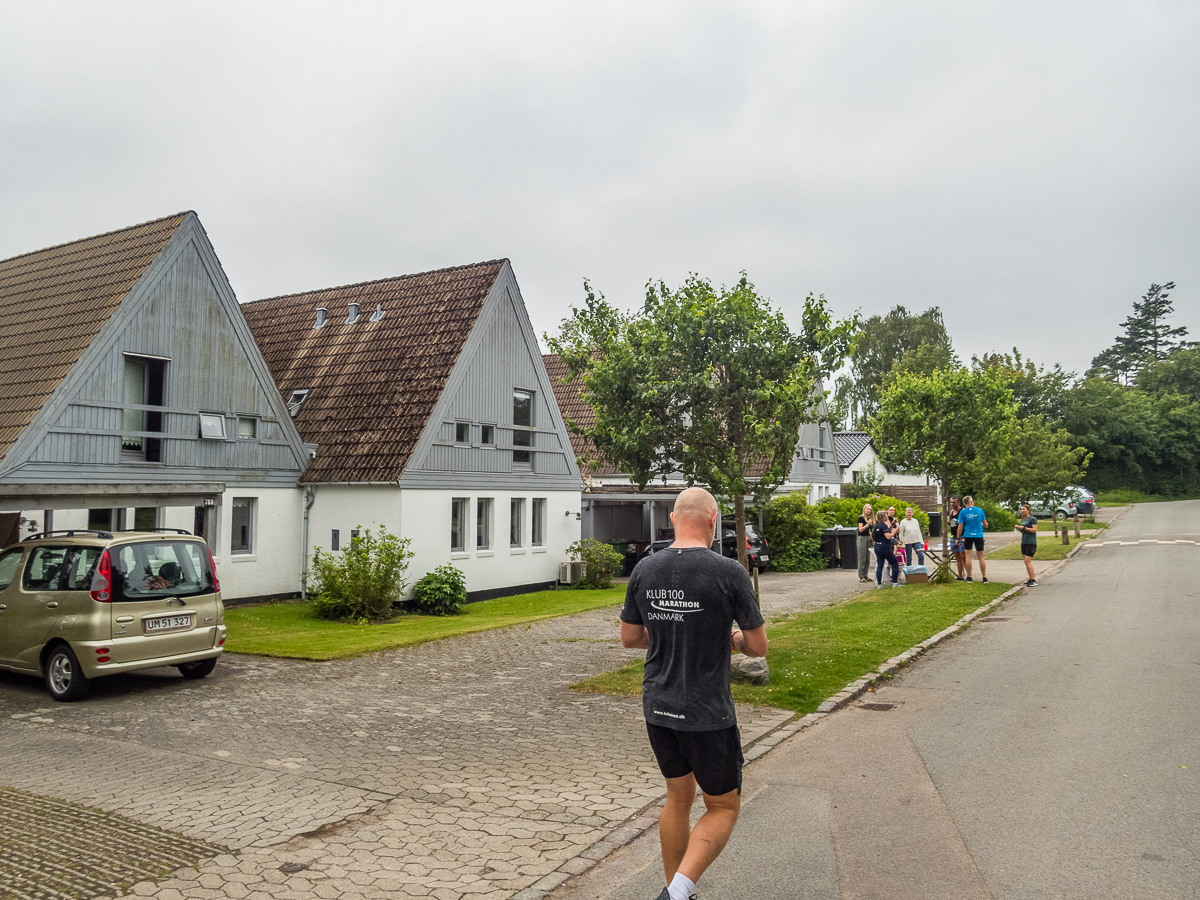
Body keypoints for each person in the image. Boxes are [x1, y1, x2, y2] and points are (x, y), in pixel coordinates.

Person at [620, 486, 768, 900]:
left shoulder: (645, 570)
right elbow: (757, 647)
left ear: (672, 519)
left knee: (678, 796)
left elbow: (630, 638)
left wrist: (670, 629)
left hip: (658, 707)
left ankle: (675, 890)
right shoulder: (729, 572)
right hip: (705, 712)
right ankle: (678, 892)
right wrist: (733, 636)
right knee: (722, 807)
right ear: (713, 520)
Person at [957, 495, 989, 583]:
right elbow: (985, 524)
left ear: (964, 503)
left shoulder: (963, 512)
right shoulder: (979, 510)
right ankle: (984, 577)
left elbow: (960, 526)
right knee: (981, 557)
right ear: (971, 502)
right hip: (978, 535)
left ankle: (969, 577)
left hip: (968, 535)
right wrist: (983, 524)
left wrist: (958, 537)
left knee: (968, 556)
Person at [872, 509, 900, 588]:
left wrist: (891, 525)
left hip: (877, 546)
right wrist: (895, 531)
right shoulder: (883, 525)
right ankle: (895, 582)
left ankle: (879, 584)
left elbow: (884, 531)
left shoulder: (876, 525)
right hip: (884, 546)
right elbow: (888, 536)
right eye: (886, 515)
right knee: (894, 563)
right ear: (884, 516)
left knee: (880, 565)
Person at [1017, 503, 1038, 586]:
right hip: (1024, 541)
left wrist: (1024, 528)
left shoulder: (1033, 519)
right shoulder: (1023, 520)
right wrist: (1019, 528)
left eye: (1024, 509)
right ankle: (1030, 578)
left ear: (1028, 511)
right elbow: (1023, 531)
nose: (1022, 511)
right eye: (1021, 509)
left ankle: (1033, 580)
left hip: (1031, 542)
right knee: (1025, 562)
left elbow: (1034, 530)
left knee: (1028, 560)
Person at [947, 496, 966, 580]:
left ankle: (968, 574)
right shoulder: (951, 512)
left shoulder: (962, 511)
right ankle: (960, 575)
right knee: (957, 556)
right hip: (953, 536)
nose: (952, 504)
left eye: (954, 502)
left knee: (963, 556)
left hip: (962, 536)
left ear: (958, 503)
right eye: (951, 502)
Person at [856, 504, 874, 583]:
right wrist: (867, 525)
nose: (869, 511)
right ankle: (861, 576)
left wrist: (871, 537)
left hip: (867, 538)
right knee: (862, 558)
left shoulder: (870, 518)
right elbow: (860, 529)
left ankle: (866, 575)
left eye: (870, 509)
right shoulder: (861, 518)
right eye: (867, 509)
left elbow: (868, 530)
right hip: (861, 538)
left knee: (867, 559)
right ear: (864, 509)